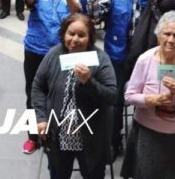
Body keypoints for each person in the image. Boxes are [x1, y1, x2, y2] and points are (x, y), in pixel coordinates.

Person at [88, 0, 157, 156]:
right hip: (117, 55)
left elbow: (165, 21)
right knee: (115, 101)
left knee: (144, 101)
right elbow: (94, 15)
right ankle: (113, 141)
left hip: (145, 57)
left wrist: (156, 0)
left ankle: (139, 144)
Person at [122, 11, 175, 179]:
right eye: (167, 34)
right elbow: (129, 96)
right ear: (158, 36)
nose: (171, 40)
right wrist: (152, 100)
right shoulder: (145, 60)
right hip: (149, 133)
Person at [31, 13, 117, 178]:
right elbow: (38, 86)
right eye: (71, 33)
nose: (75, 39)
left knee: (92, 173)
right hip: (59, 134)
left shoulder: (100, 58)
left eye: (81, 35)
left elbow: (111, 96)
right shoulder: (54, 54)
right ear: (64, 33)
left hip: (91, 137)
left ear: (90, 37)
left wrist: (88, 81)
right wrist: (41, 118)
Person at [21, 0, 82, 154]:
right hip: (35, 52)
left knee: (59, 94)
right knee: (33, 94)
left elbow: (77, 12)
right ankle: (32, 136)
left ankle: (54, 134)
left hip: (61, 54)